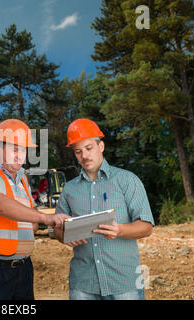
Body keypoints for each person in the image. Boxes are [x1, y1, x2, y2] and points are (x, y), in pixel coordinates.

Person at [54, 118, 155, 300]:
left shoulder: (127, 180)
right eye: (78, 151)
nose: (84, 156)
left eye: (89, 148)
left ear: (101, 146)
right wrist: (65, 235)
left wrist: (120, 230)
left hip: (123, 282)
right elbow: (57, 230)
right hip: (83, 284)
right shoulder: (69, 189)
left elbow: (146, 226)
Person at [0, 118, 63, 300]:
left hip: (23, 269)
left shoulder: (23, 180)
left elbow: (31, 222)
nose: (20, 156)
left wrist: (58, 227)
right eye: (15, 150)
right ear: (0, 148)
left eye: (24, 150)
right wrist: (46, 218)